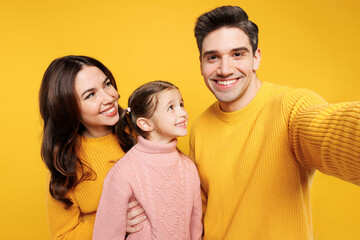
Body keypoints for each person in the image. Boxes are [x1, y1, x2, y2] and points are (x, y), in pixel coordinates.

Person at [190, 5, 360, 239]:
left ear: (256, 58)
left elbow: (330, 127)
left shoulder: (290, 106)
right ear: (201, 64)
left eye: (237, 54)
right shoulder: (199, 127)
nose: (225, 69)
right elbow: (199, 214)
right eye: (213, 57)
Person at [39, 55, 146, 239]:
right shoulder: (66, 164)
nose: (109, 97)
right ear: (68, 109)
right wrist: (113, 221)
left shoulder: (142, 127)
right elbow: (62, 235)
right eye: (90, 95)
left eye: (106, 84)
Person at [93, 81, 203, 239]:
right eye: (171, 107)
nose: (183, 113)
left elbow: (195, 225)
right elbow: (106, 233)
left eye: (181, 104)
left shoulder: (188, 167)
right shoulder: (123, 172)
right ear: (145, 123)